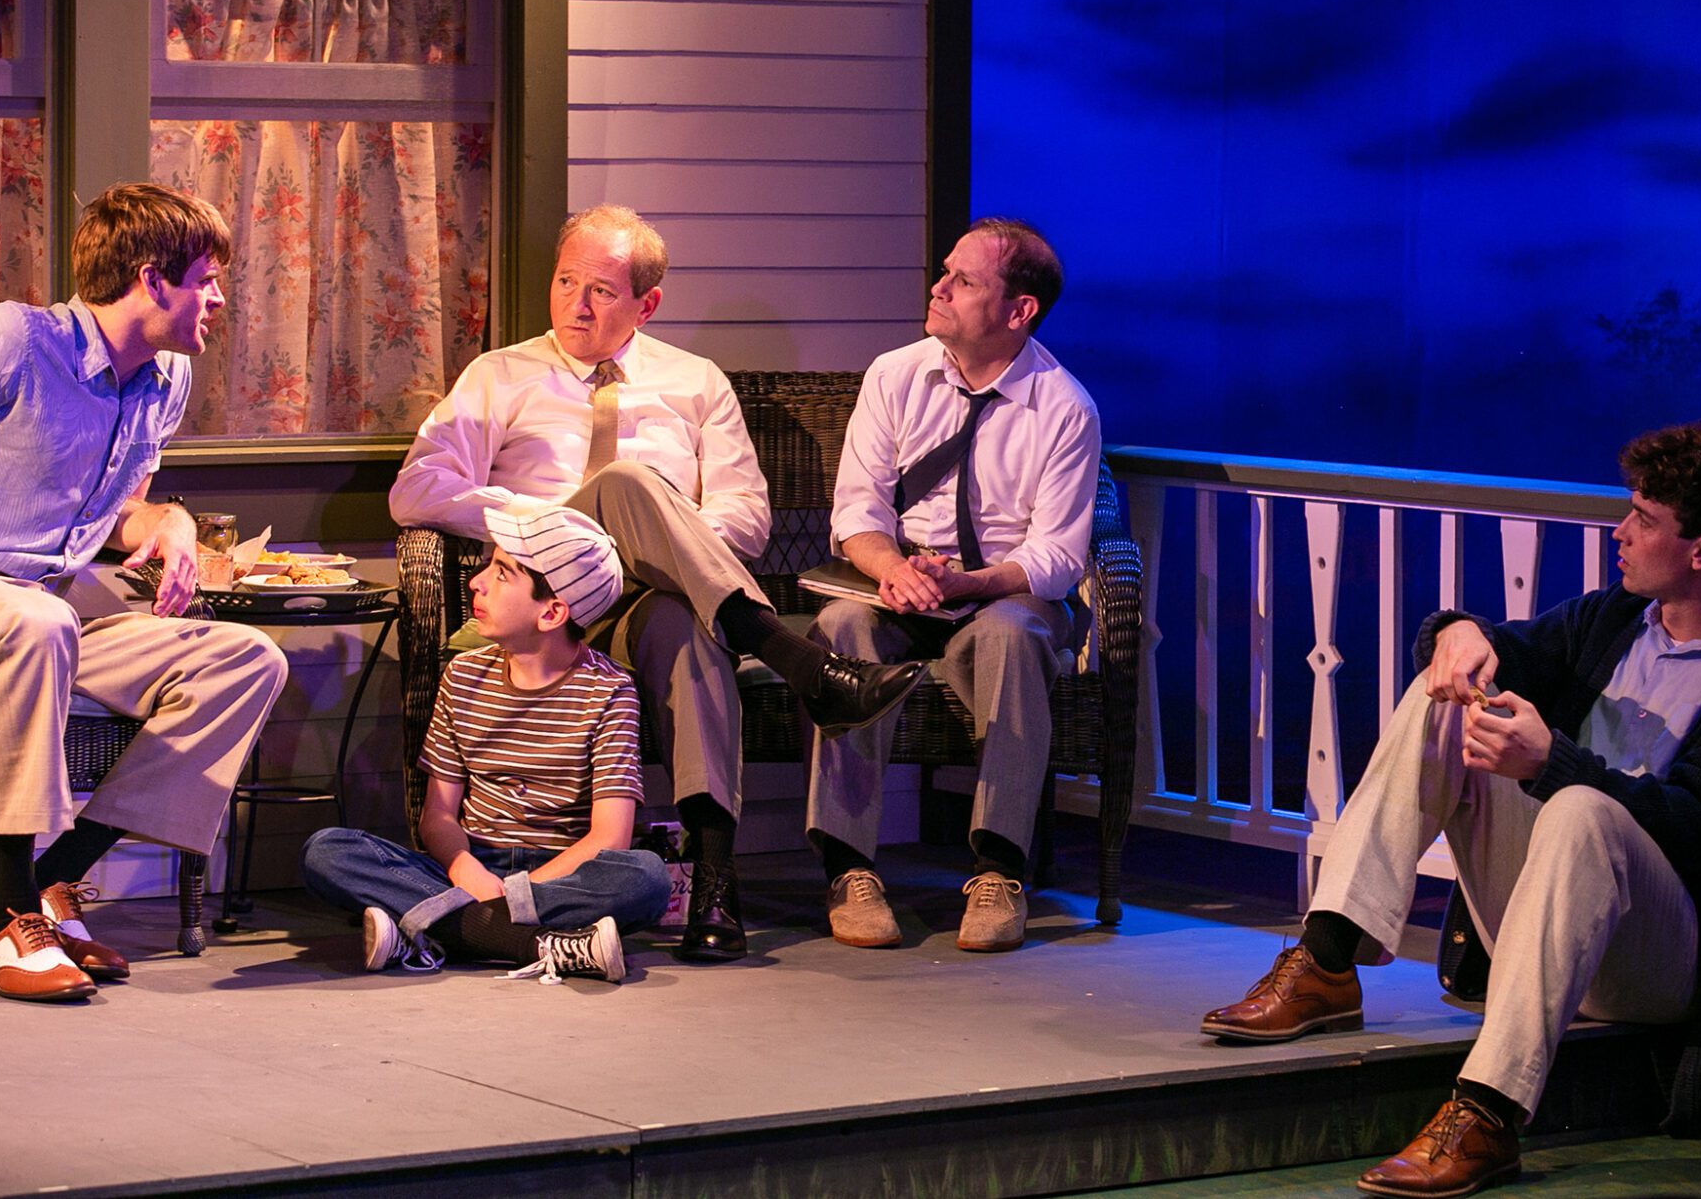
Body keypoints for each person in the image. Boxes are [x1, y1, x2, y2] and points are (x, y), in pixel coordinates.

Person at [1199, 422, 1701, 1198]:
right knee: (1448, 701)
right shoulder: (1618, 618)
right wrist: (1460, 634)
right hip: (1548, 914)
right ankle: (1328, 958)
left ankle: (1487, 1113)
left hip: (1662, 958)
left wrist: (1552, 762)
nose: (1620, 531)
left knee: (1583, 808)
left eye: (1643, 518)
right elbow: (1504, 647)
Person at [390, 204, 924, 961]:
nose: (577, 304)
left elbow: (746, 519)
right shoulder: (499, 375)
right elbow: (416, 489)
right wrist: (551, 521)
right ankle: (802, 663)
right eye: (566, 281)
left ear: (647, 304)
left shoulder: (695, 382)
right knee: (627, 483)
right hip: (543, 604)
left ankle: (714, 881)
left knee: (688, 632)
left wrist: (651, 541)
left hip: (647, 603)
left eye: (602, 291)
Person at [0, 182, 290, 1002]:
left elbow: (116, 511)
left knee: (247, 659)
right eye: (207, 280)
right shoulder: (9, 341)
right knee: (36, 620)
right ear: (151, 281)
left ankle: (54, 875)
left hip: (53, 606)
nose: (220, 299)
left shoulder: (166, 377)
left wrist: (168, 521)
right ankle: (3, 920)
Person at [806, 218, 1102, 953]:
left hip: (999, 593)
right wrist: (895, 570)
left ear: (1019, 310)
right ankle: (848, 870)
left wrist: (967, 582)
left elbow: (1057, 557)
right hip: (901, 584)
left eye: (963, 280)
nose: (938, 288)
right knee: (843, 627)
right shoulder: (895, 375)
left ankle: (999, 871)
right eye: (945, 271)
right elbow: (857, 511)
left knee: (1014, 633)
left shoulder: (1065, 407)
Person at [302, 504, 668, 984]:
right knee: (327, 851)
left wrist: (510, 894)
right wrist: (463, 868)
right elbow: (438, 815)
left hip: (560, 876)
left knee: (645, 877)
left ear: (551, 612)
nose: (477, 583)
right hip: (472, 863)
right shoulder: (464, 675)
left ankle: (432, 930)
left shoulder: (609, 691)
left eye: (502, 574)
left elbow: (609, 838)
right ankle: (540, 944)